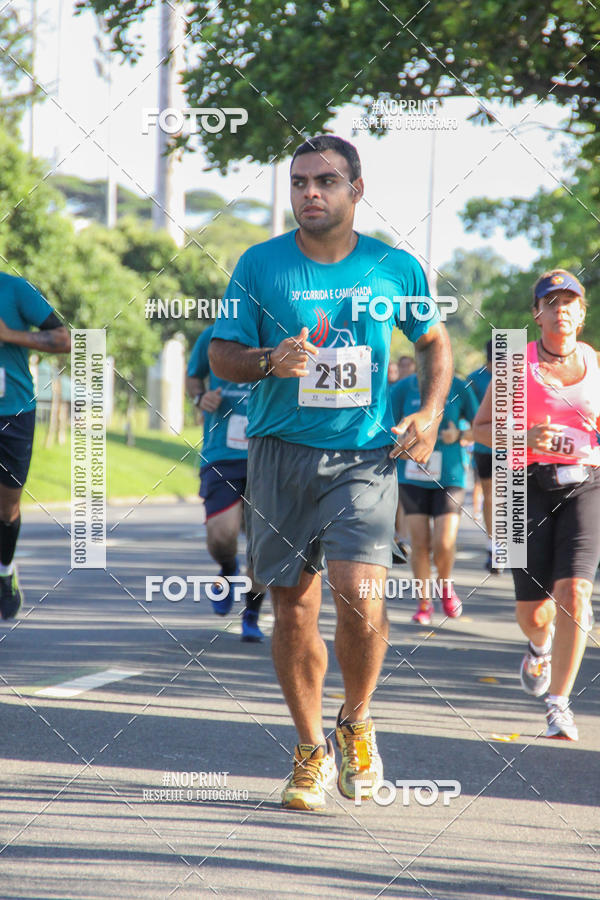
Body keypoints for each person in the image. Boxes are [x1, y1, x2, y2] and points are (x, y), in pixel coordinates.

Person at [209, 134, 452, 810]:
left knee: (362, 594)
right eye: (298, 182)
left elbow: (433, 342)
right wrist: (266, 362)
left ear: (356, 190)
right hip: (280, 451)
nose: (310, 193)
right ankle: (310, 748)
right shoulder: (259, 266)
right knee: (294, 609)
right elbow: (221, 355)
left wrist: (430, 412)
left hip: (365, 455)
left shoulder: (393, 267)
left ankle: (359, 718)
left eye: (325, 181)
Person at [473, 268, 600, 741]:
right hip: (520, 488)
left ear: (582, 315)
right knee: (534, 611)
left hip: (587, 484)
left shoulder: (596, 365)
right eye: (552, 302)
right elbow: (480, 431)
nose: (561, 309)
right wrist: (524, 436)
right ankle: (537, 646)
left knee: (574, 594)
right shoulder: (512, 366)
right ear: (537, 313)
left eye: (570, 302)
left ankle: (559, 703)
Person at [187, 325, 266, 642]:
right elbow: (194, 377)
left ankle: (252, 613)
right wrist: (199, 397)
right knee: (221, 536)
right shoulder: (214, 335)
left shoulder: (279, 331)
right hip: (222, 452)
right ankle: (228, 567)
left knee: (261, 546)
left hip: (270, 453)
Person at [0, 274, 70, 618]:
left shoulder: (14, 290)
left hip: (12, 412)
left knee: (7, 507)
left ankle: (5, 569)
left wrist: (9, 335)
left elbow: (64, 339)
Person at [391, 371, 478, 625]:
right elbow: (385, 424)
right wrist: (400, 437)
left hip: (450, 477)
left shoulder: (459, 386)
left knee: (444, 542)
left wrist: (460, 436)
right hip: (412, 476)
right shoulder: (403, 388)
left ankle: (445, 584)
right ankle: (424, 603)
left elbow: (481, 428)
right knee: (420, 543)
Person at [467, 340, 501, 572]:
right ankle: (494, 547)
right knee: (490, 495)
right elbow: (469, 412)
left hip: (514, 445)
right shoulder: (474, 378)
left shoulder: (517, 376)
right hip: (483, 447)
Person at [392, 355, 418, 564]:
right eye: (401, 364)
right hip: (394, 450)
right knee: (395, 496)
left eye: (408, 365)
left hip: (417, 452)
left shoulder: (417, 387)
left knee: (403, 497)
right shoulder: (395, 388)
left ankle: (401, 538)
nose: (404, 368)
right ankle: (394, 537)